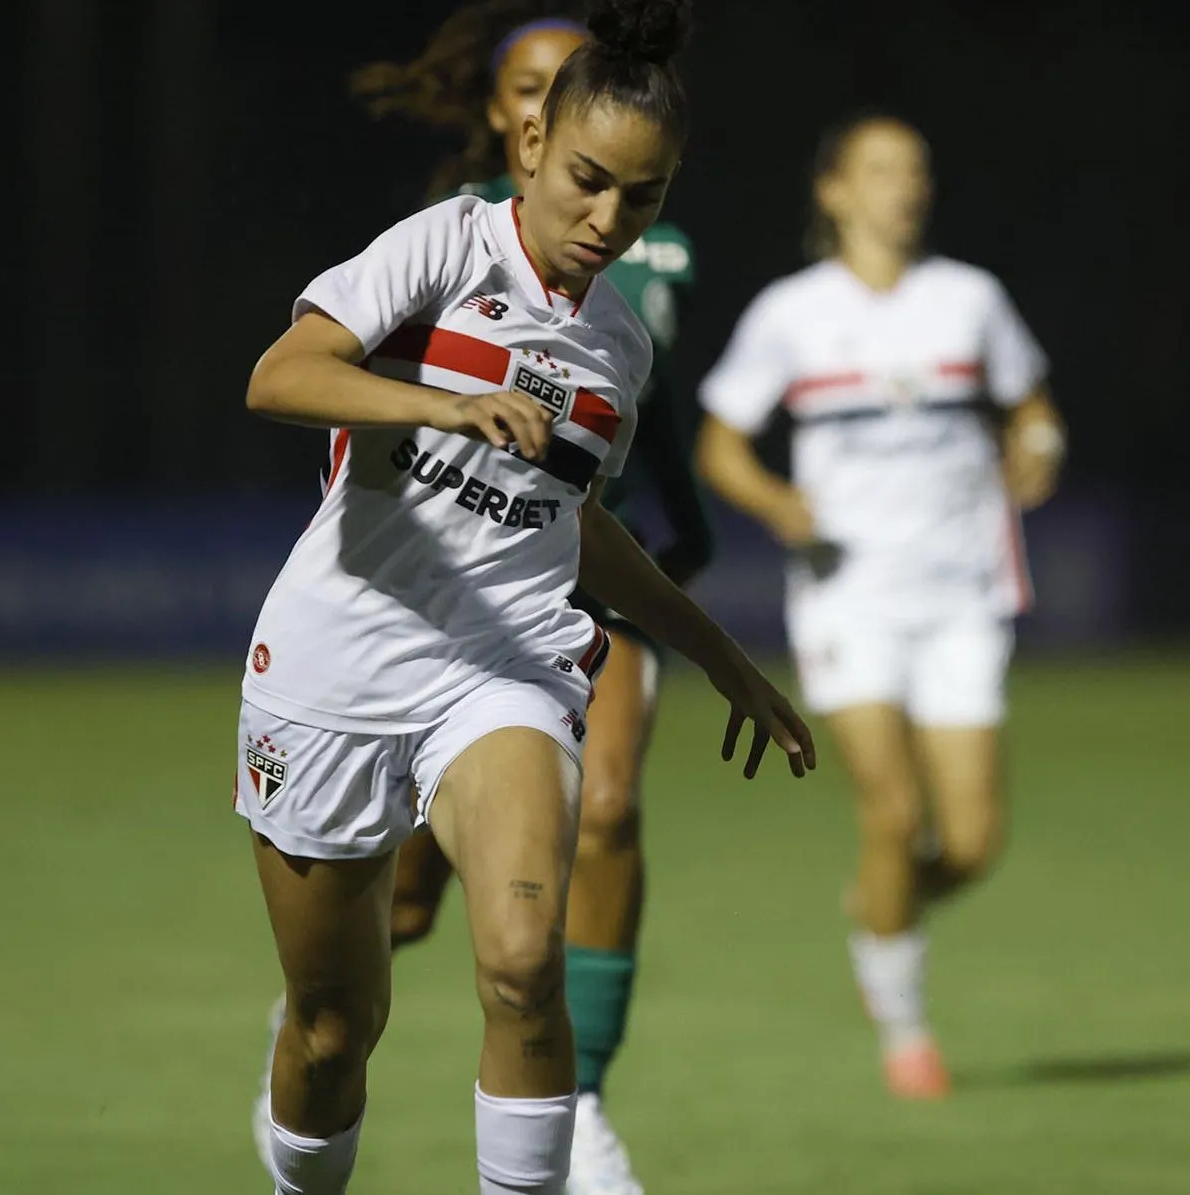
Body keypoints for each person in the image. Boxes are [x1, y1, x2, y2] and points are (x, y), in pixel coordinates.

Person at [235, 3, 813, 1191]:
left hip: (500, 668)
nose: (607, 220)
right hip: (335, 661)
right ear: (535, 139)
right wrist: (442, 403)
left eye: (641, 198)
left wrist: (719, 655)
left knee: (517, 964)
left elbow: (574, 521)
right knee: (333, 1027)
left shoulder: (619, 348)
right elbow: (279, 375)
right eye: (591, 180)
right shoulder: (446, 244)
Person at [693, 112, 1065, 1101]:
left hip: (960, 595)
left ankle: (878, 913)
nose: (904, 186)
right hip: (847, 593)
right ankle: (901, 1020)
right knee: (892, 812)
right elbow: (718, 442)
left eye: (916, 169)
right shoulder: (790, 312)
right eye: (881, 169)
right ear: (833, 191)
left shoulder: (969, 299)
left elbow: (1030, 407)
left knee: (972, 843)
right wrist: (773, 500)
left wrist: (1038, 447)